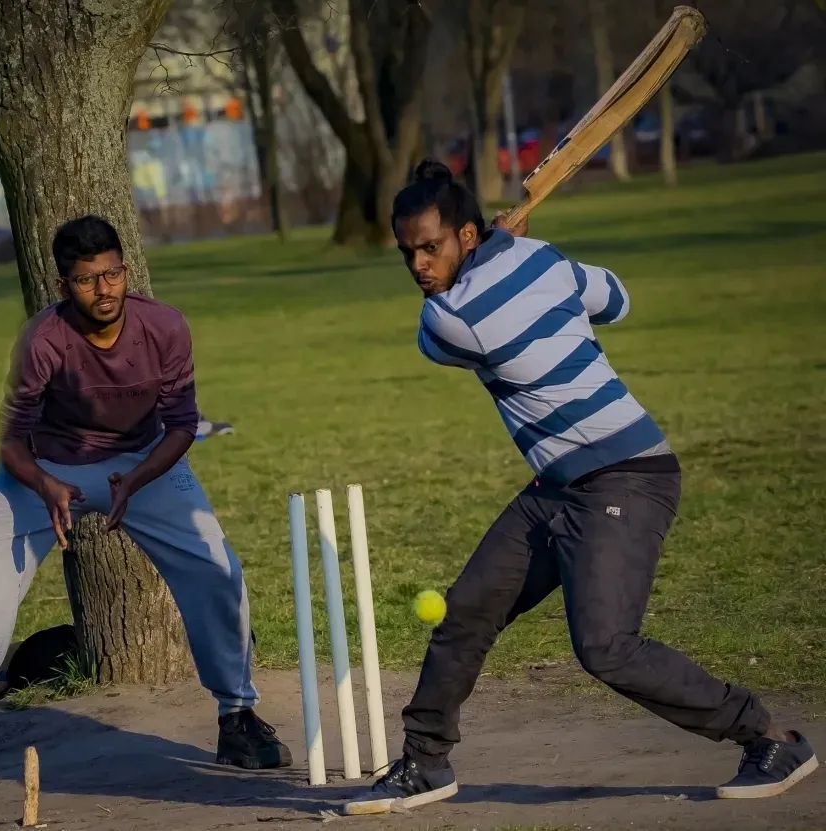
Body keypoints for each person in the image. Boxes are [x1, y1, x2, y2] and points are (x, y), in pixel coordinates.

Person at [344, 160, 818, 814]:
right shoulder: (543, 259)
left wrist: (502, 255)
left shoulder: (452, 317)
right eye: (408, 253)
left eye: (431, 247)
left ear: (466, 235)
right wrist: (520, 255)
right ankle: (425, 762)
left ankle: (770, 739)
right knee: (467, 609)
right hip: (559, 483)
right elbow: (616, 299)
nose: (419, 265)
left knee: (606, 648)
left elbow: (435, 337)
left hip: (628, 475)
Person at [0, 215, 290, 798]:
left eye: (112, 274)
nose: (104, 290)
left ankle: (238, 717)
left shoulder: (166, 327)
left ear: (125, 270)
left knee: (214, 567)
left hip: (146, 462)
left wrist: (137, 480)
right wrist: (44, 485)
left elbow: (182, 424)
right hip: (45, 468)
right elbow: (9, 440)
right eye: (86, 280)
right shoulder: (41, 341)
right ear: (63, 285)